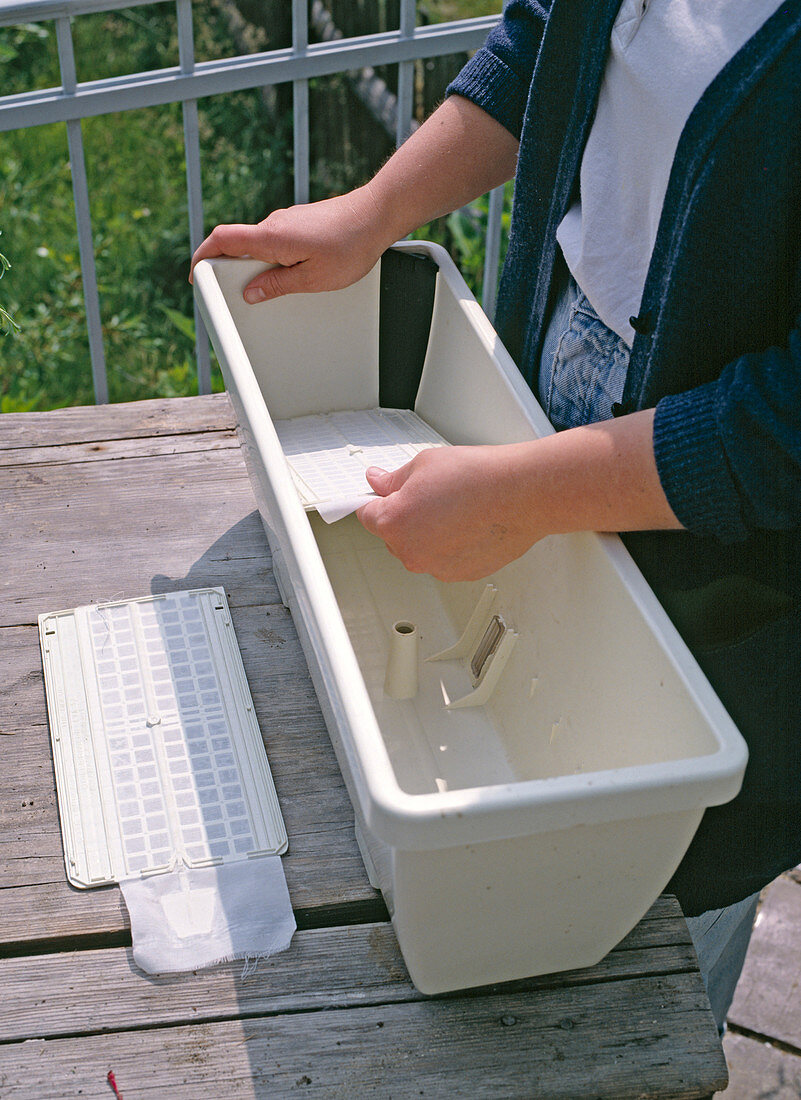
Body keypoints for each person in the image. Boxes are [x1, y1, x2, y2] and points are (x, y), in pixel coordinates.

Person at [191, 0, 801, 1029]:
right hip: (540, 397)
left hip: (734, 572)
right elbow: (545, 47)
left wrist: (528, 493)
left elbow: (782, 429)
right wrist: (374, 211)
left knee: (638, 969)